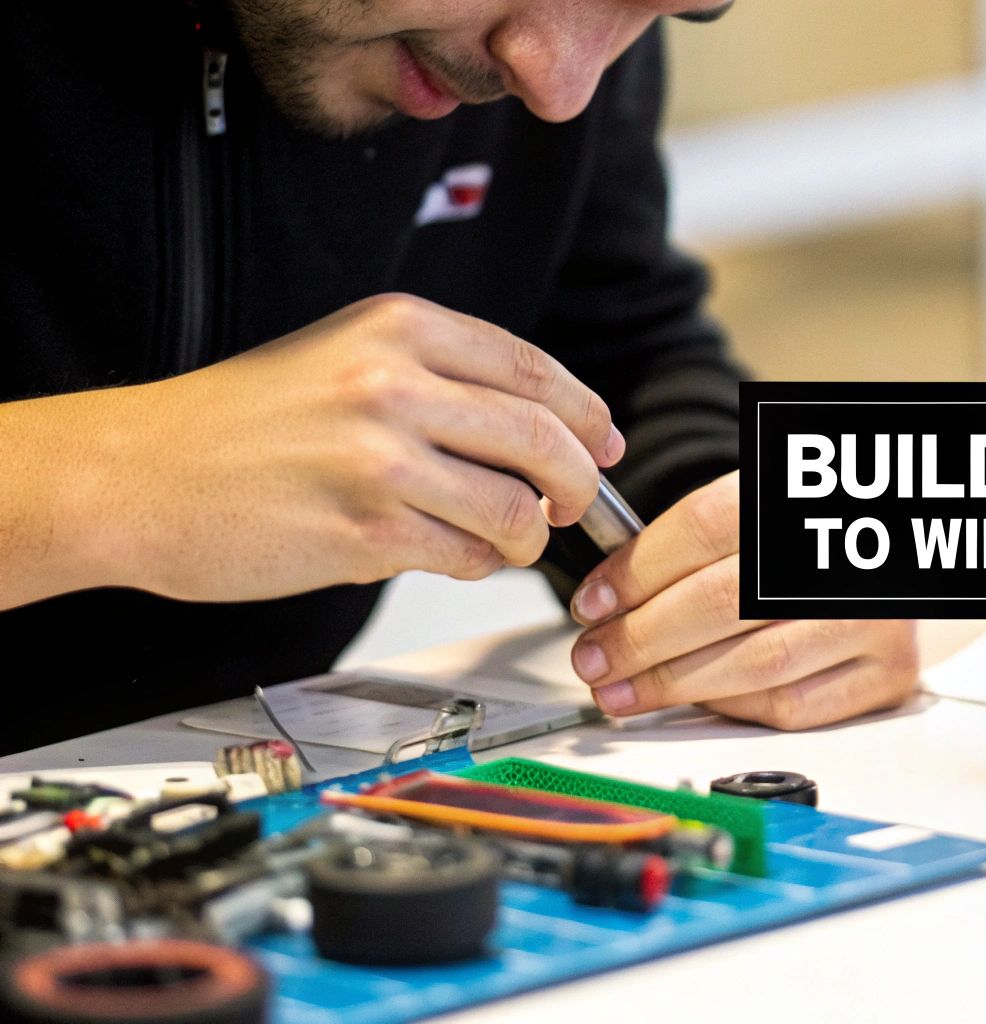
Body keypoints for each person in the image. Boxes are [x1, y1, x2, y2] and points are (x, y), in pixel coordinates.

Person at [0, 0, 918, 755]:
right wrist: (100, 482)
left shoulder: (552, 45)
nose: (559, 83)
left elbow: (610, 342)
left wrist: (743, 552)